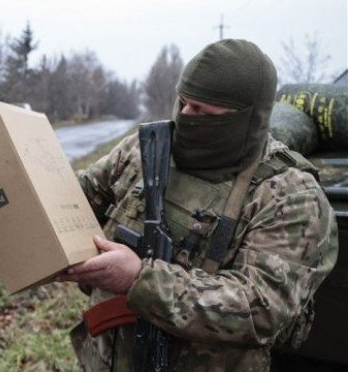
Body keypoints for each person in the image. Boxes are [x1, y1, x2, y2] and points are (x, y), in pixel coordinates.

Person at [59, 39, 338, 372]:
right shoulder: (145, 149)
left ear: (246, 118)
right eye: (183, 102)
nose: (187, 117)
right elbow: (78, 199)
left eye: (203, 110)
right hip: (107, 358)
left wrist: (139, 279)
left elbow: (262, 308)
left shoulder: (289, 195)